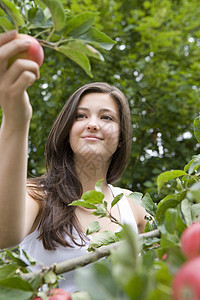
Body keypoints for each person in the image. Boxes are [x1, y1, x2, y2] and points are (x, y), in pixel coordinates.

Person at [0, 30, 147, 293]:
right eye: (80, 116)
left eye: (107, 118)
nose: (92, 124)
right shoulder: (36, 196)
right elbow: (3, 232)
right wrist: (16, 118)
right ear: (68, 133)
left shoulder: (133, 210)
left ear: (122, 138)